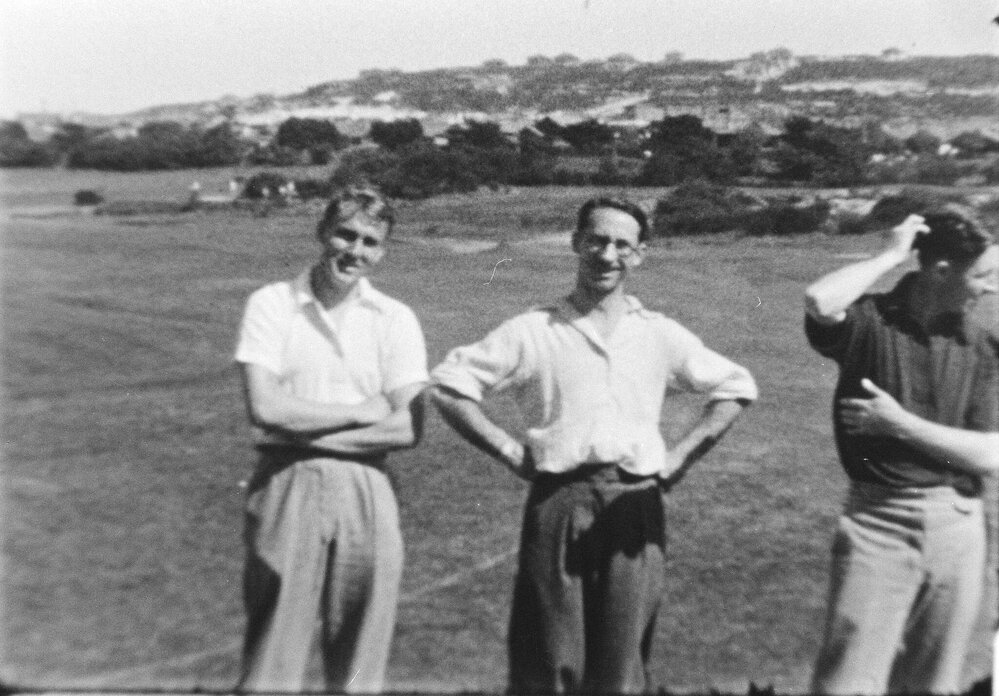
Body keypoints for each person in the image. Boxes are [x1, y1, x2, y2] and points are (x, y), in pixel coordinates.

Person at [429, 196, 757, 693]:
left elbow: (736, 387)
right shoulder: (533, 330)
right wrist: (507, 449)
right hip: (558, 502)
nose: (608, 255)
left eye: (623, 245)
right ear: (576, 243)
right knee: (549, 658)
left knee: (622, 666)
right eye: (597, 241)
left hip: (635, 504)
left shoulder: (658, 333)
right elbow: (450, 385)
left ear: (640, 254)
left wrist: (679, 459)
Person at [233, 187, 428, 693]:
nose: (355, 251)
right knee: (272, 655)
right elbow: (265, 408)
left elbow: (408, 427)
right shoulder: (272, 304)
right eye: (345, 234)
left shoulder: (395, 318)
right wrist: (361, 412)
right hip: (286, 486)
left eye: (371, 241)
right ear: (323, 232)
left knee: (361, 658)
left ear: (383, 250)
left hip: (368, 488)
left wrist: (299, 434)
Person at [805, 205, 999, 695]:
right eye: (983, 275)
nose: (990, 288)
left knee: (933, 683)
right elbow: (820, 300)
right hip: (877, 522)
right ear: (939, 270)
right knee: (847, 682)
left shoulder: (981, 346)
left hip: (959, 524)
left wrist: (898, 424)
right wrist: (892, 253)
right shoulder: (871, 321)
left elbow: (989, 456)